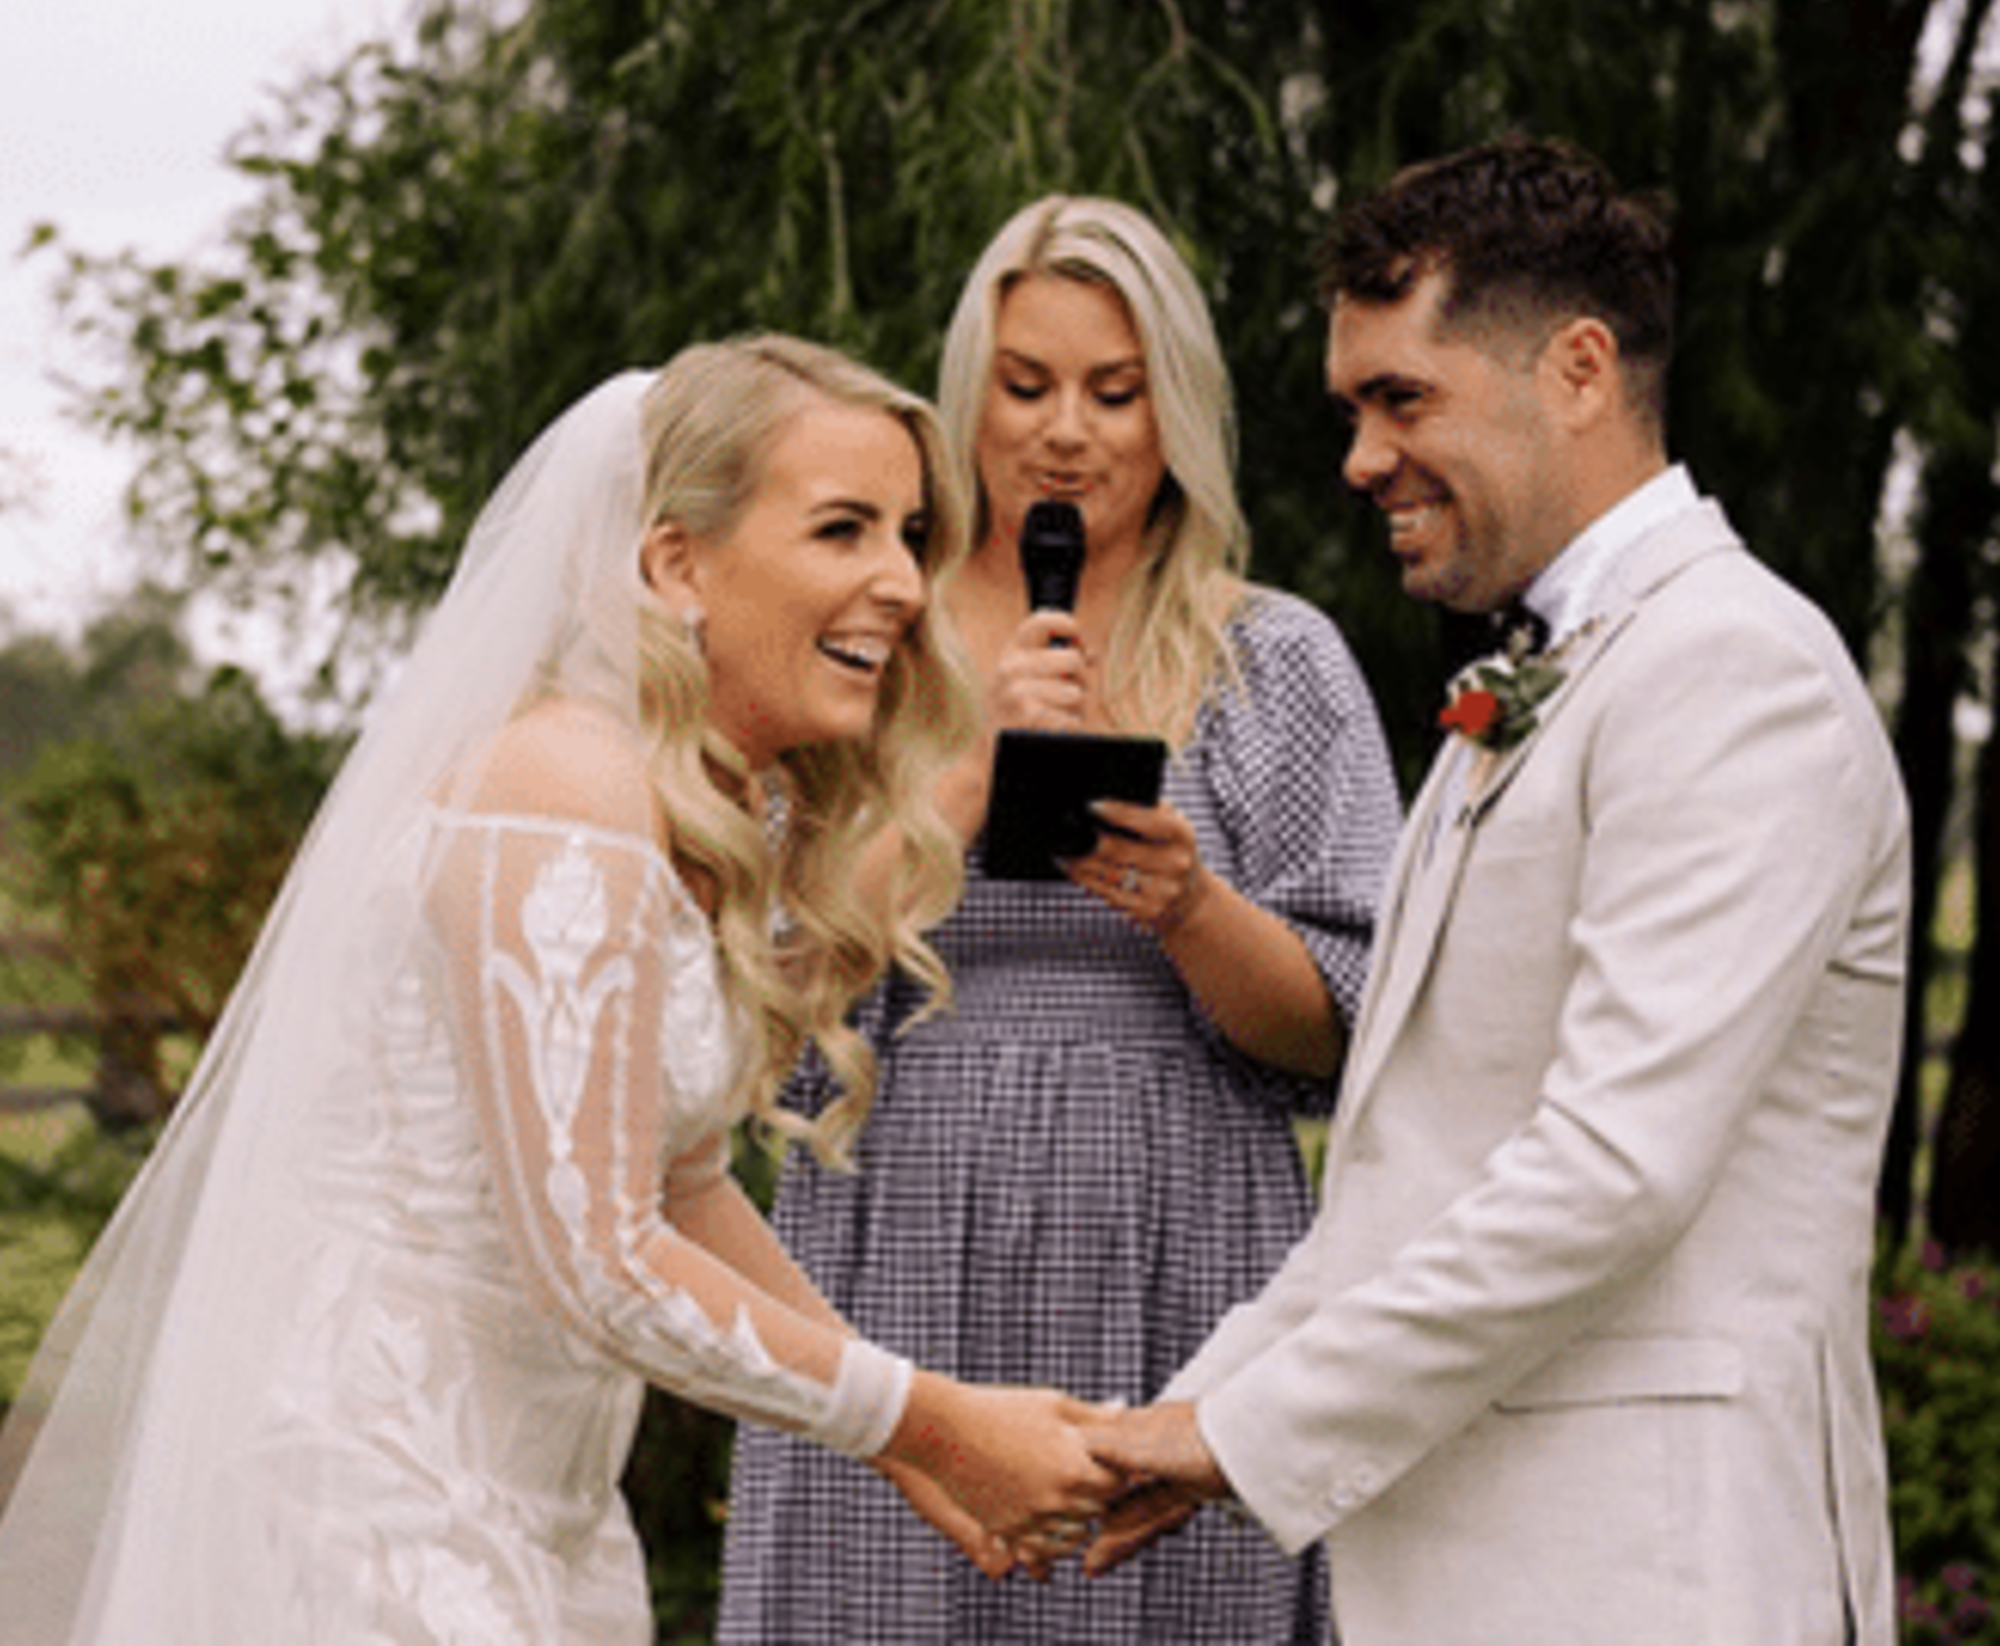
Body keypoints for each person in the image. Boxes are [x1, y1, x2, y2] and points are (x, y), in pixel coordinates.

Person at [0, 337, 1126, 1645]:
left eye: (910, 533)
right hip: (374, 1483)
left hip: (536, 1497)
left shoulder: (690, 806)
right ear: (673, 564)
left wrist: (919, 1456)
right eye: (843, 529)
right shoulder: (563, 789)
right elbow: (596, 1259)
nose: (901, 582)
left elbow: (683, 1181)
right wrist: (940, 1419)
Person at [1082, 137, 1912, 1646]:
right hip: (1478, 1569)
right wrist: (1192, 1417)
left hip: (1651, 1575)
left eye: (1403, 398)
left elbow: (1613, 1169)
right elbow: (1407, 1177)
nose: (1358, 459)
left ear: (1580, 368)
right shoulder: (1526, 688)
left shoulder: (1736, 671)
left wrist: (1244, 1434)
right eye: (1352, 409)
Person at [719, 198, 1402, 1642]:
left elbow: (1349, 1029)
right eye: (1026, 386)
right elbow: (758, 1008)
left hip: (1187, 1245)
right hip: (893, 1232)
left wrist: (1190, 903)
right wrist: (959, 792)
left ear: (1179, 412)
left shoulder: (1271, 659)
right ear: (968, 393)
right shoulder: (864, 636)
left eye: (1115, 389)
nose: (1065, 433)